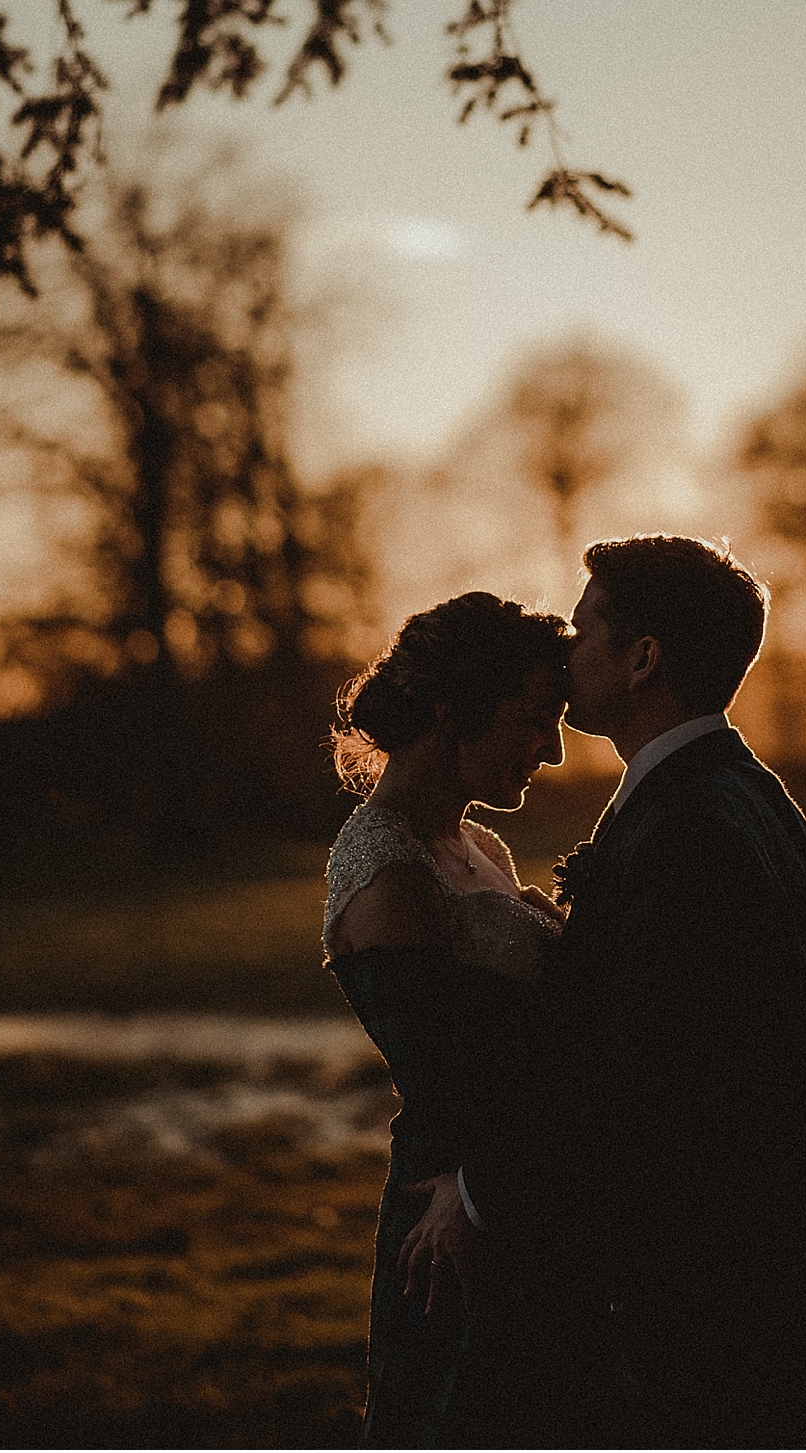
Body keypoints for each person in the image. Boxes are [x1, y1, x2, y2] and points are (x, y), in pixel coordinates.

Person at [401, 535, 806, 1450]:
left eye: (583, 629)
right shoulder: (737, 795)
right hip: (786, 1247)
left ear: (642, 657)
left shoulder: (692, 828)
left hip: (746, 1274)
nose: (565, 655)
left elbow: (645, 1076)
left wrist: (480, 1191)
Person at [322, 591, 580, 1447]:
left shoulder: (481, 849)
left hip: (515, 1185)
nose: (551, 747)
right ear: (447, 710)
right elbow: (457, 1075)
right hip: (454, 1217)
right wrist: (475, 1195)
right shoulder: (388, 872)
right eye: (535, 718)